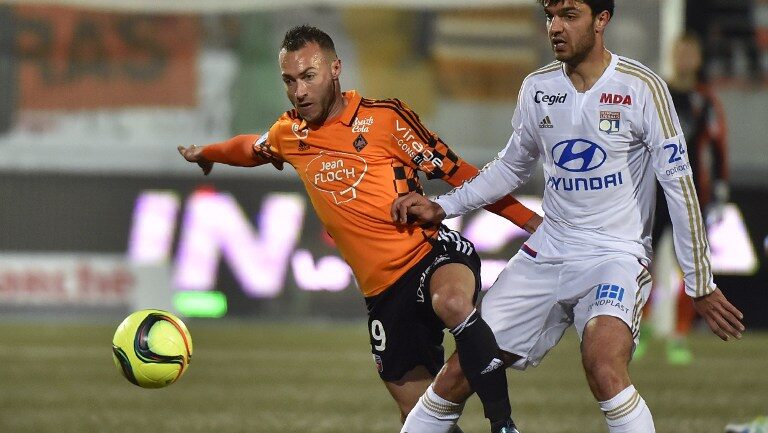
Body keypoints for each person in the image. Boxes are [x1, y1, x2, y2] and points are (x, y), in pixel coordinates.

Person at [391, 1, 745, 432]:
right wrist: (443, 205)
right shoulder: (537, 88)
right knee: (461, 372)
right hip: (549, 249)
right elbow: (511, 166)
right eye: (550, 15)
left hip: (614, 255)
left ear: (602, 20)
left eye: (569, 15)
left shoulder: (642, 88)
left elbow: (679, 184)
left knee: (603, 364)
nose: (555, 27)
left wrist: (699, 281)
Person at [177, 25, 541, 433]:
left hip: (431, 254)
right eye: (289, 80)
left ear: (335, 69)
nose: (299, 92)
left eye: (309, 77)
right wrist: (207, 154)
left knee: (453, 303)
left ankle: (503, 424)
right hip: (382, 293)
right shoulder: (289, 133)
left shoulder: (385, 119)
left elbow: (462, 175)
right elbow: (250, 148)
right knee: (420, 418)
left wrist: (530, 221)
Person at [638, 32, 730, 365]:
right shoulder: (656, 94)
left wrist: (720, 188)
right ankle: (641, 327)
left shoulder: (704, 101)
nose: (684, 60)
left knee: (690, 267)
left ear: (699, 59)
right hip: (652, 193)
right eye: (680, 53)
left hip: (690, 197)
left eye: (690, 54)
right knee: (639, 263)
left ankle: (678, 334)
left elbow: (718, 148)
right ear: (672, 56)